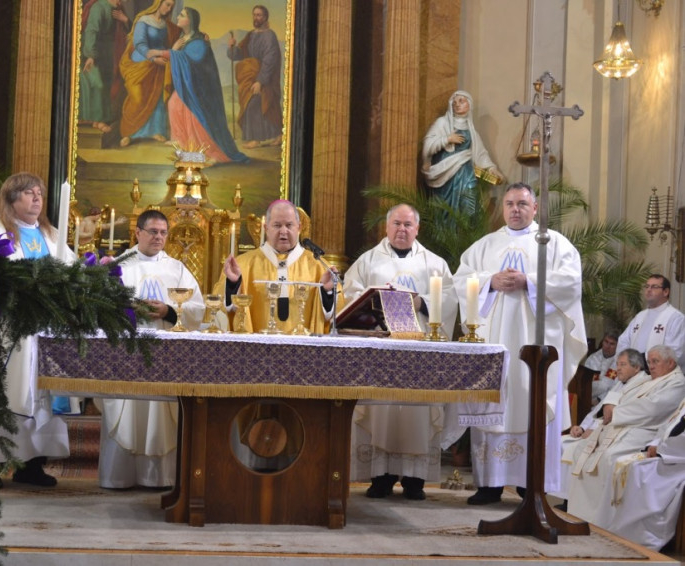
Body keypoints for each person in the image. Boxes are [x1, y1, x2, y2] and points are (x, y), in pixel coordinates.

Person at [453, 182, 586, 504]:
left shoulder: (555, 244)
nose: (515, 209)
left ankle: (533, 485)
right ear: (503, 208)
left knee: (533, 399)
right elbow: (460, 280)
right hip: (495, 344)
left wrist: (529, 281)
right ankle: (489, 485)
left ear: (535, 208)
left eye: (522, 204)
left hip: (536, 345)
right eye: (510, 203)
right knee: (494, 400)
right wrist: (489, 282)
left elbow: (571, 283)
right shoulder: (484, 246)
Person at [344, 204, 458, 500]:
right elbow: (350, 294)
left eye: (408, 224)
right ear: (386, 226)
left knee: (417, 413)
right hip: (381, 349)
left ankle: (414, 480)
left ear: (417, 229)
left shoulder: (434, 264)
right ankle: (380, 478)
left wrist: (422, 303)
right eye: (396, 223)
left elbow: (450, 297)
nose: (402, 229)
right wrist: (374, 302)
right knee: (380, 411)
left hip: (420, 351)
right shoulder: (368, 261)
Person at [98, 209, 204, 489]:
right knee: (126, 410)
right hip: (127, 351)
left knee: (160, 412)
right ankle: (118, 477)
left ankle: (159, 478)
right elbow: (100, 305)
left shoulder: (177, 269)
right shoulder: (119, 265)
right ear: (138, 232)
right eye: (153, 231)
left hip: (164, 352)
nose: (159, 237)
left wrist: (168, 311)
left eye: (163, 233)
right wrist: (129, 309)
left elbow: (198, 309)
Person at [0, 172, 75, 486]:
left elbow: (71, 271)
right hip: (8, 331)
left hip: (46, 332)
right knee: (5, 391)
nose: (37, 198)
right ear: (11, 197)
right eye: (28, 192)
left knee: (41, 397)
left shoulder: (51, 234)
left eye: (39, 193)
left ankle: (32, 464)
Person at [567, 344, 685, 525]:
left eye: (655, 361)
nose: (651, 366)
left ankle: (601, 519)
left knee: (609, 457)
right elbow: (621, 393)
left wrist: (615, 412)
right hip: (622, 425)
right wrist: (610, 404)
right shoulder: (649, 379)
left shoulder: (677, 383)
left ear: (670, 363)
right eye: (649, 362)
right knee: (581, 450)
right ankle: (578, 513)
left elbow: (652, 409)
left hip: (644, 430)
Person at [214, 200, 340, 334]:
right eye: (277, 225)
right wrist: (233, 284)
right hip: (257, 344)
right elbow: (219, 308)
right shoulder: (242, 265)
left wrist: (327, 293)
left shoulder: (319, 267)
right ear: (266, 228)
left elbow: (339, 313)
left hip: (303, 345)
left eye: (289, 225)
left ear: (299, 227)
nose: (283, 231)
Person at [152, 7, 248, 164]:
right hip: (189, 85)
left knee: (188, 111)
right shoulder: (184, 37)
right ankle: (184, 144)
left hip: (200, 88)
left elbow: (194, 60)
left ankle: (207, 151)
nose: (177, 18)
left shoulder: (199, 41)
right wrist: (173, 51)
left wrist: (172, 51)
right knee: (174, 103)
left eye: (182, 15)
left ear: (190, 20)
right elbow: (182, 58)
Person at [551, 348, 645, 506]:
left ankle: (571, 502)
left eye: (623, 364)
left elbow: (619, 417)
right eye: (617, 364)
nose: (618, 368)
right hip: (597, 430)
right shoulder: (619, 384)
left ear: (636, 367)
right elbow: (598, 410)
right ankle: (566, 499)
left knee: (571, 448)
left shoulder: (640, 386)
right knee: (561, 443)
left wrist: (595, 431)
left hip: (612, 436)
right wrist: (582, 428)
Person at [606, 396, 685, 550]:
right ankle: (626, 531)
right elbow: (669, 426)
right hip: (671, 454)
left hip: (678, 460)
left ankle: (647, 537)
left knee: (643, 472)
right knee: (629, 465)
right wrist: (654, 444)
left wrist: (661, 449)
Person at [421, 90, 503, 215]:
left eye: (461, 101)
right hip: (445, 173)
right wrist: (447, 139)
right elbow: (428, 144)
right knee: (445, 208)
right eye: (454, 103)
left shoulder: (471, 130)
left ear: (469, 104)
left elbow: (480, 153)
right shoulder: (442, 123)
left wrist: (492, 168)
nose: (457, 104)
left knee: (469, 201)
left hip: (466, 172)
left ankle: (466, 227)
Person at [118, 0, 180, 147]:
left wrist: (201, 36)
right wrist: (153, 58)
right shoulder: (143, 20)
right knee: (137, 98)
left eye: (171, 7)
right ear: (159, 2)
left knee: (156, 97)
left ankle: (155, 130)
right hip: (141, 63)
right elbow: (139, 44)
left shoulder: (167, 25)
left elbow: (181, 36)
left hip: (159, 65)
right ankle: (129, 133)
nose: (169, 9)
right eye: (167, 4)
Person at [226, 5, 283, 149]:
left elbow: (270, 60)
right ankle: (278, 135)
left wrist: (260, 81)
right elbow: (240, 54)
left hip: (266, 79)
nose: (256, 18)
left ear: (265, 17)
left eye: (259, 15)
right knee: (257, 105)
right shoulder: (251, 35)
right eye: (254, 14)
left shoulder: (269, 36)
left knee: (256, 104)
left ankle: (256, 139)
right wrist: (232, 48)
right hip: (251, 77)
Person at [79, 0, 131, 133]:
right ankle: (98, 120)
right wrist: (91, 55)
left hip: (110, 54)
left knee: (108, 86)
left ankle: (99, 121)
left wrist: (125, 20)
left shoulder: (119, 8)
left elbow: (129, 33)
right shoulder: (99, 7)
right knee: (99, 85)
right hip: (96, 53)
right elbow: (91, 31)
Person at [616, 274, 685, 368]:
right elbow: (623, 341)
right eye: (647, 286)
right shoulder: (640, 316)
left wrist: (648, 364)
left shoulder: (676, 318)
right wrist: (627, 363)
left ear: (666, 292)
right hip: (634, 370)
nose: (649, 290)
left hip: (658, 372)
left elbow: (676, 351)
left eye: (654, 287)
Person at [584, 330, 620, 404]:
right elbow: (584, 382)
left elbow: (618, 387)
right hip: (587, 400)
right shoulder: (592, 358)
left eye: (612, 344)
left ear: (617, 346)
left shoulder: (619, 363)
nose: (607, 346)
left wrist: (599, 399)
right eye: (606, 342)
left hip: (607, 402)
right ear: (602, 342)